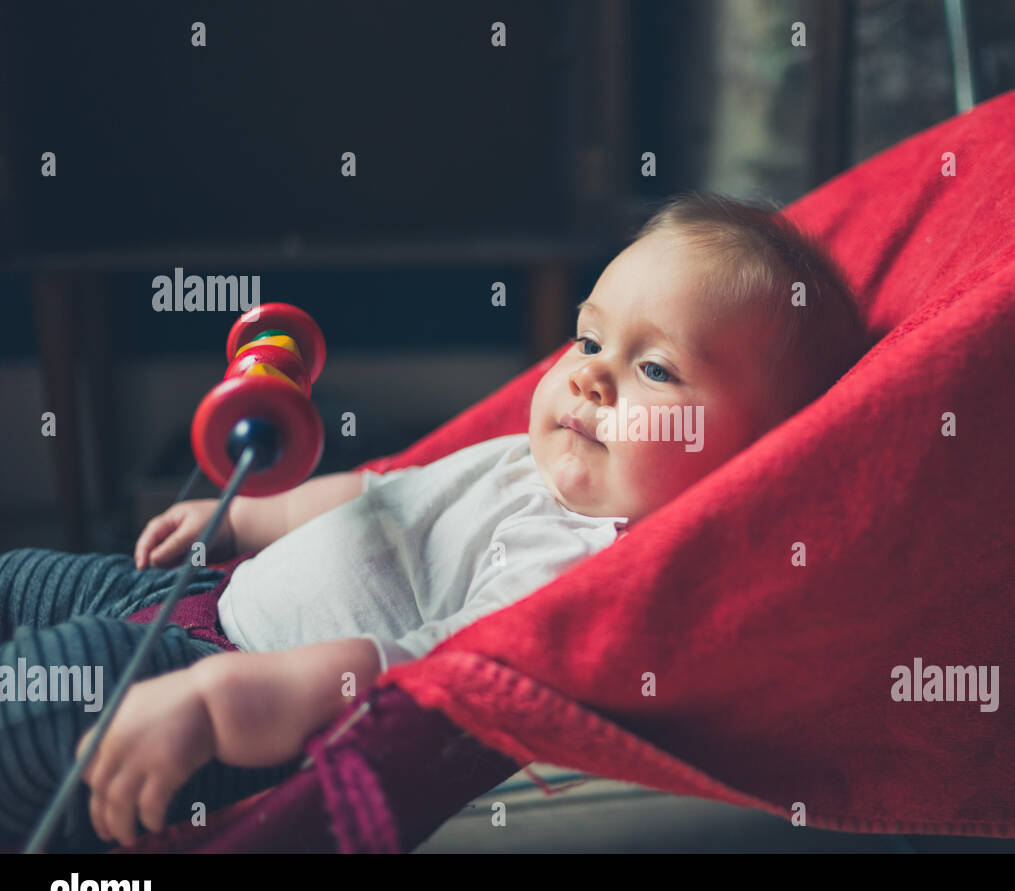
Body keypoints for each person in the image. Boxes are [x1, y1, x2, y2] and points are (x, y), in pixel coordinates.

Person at [0, 191, 865, 850]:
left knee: (34, 701)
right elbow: (384, 495)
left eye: (658, 369)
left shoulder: (578, 571)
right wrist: (245, 521)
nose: (591, 378)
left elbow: (424, 676)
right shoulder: (535, 462)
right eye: (590, 340)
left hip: (230, 683)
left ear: (756, 464)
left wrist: (221, 700)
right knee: (20, 578)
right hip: (200, 592)